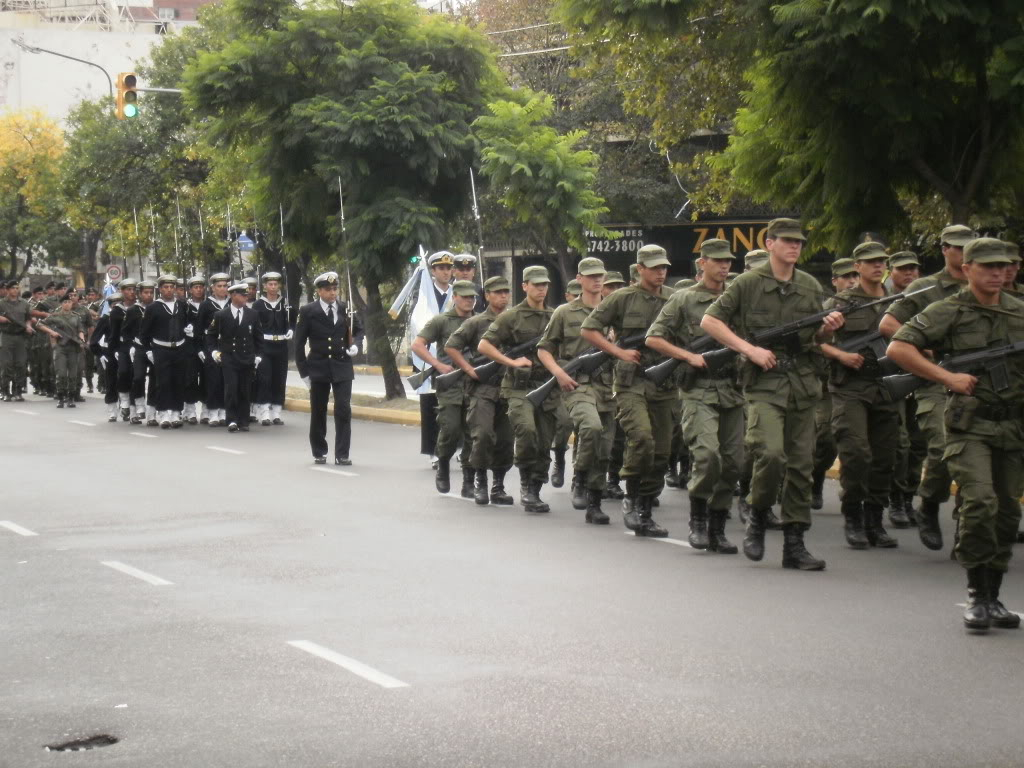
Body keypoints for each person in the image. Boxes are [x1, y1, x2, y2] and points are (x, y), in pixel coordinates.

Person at [886, 237, 1023, 632]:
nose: (998, 273)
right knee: (980, 502)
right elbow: (898, 347)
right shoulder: (949, 311)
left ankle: (994, 594)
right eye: (989, 267)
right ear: (967, 269)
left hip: (1013, 425)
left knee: (1008, 511)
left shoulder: (1019, 311)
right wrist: (946, 376)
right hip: (969, 424)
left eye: (1004, 266)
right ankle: (977, 594)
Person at [701, 218, 845, 570]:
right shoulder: (749, 283)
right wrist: (748, 350)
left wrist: (828, 332)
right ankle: (758, 514)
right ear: (770, 243)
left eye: (799, 242)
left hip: (803, 382)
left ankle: (794, 543)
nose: (795, 247)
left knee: (801, 464)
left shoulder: (810, 286)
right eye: (787, 241)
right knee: (770, 453)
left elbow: (816, 340)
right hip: (764, 382)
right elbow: (710, 321)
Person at [880, 224, 975, 551]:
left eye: (967, 246)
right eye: (955, 246)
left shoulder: (989, 289)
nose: (961, 252)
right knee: (943, 446)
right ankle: (931, 502)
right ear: (944, 248)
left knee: (976, 455)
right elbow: (888, 323)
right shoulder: (924, 288)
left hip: (979, 383)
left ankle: (968, 529)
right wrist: (923, 351)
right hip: (934, 380)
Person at [646, 238, 742, 552]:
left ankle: (717, 526)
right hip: (698, 388)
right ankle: (698, 518)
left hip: (733, 388)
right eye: (717, 260)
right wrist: (686, 356)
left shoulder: (738, 296)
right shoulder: (684, 299)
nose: (724, 265)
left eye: (727, 260)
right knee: (708, 455)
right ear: (703, 263)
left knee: (733, 462)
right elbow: (654, 338)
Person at [581, 245, 676, 537]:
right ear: (640, 269)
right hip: (630, 381)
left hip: (665, 381)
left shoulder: (674, 299)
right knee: (642, 439)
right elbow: (589, 329)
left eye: (664, 267)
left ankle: (646, 510)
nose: (661, 272)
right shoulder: (622, 298)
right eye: (655, 267)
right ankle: (631, 498)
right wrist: (617, 351)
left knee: (662, 453)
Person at [819, 242, 899, 549]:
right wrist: (839, 355)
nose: (878, 266)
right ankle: (852, 516)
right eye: (871, 262)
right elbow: (816, 341)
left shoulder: (896, 301)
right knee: (855, 453)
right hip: (850, 387)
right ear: (858, 266)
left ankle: (874, 520)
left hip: (886, 384)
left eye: (882, 261)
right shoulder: (841, 302)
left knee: (885, 457)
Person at [537, 257, 614, 524]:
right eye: (590, 275)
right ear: (579, 279)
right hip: (576, 383)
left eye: (600, 275)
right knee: (590, 428)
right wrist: (558, 373)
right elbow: (544, 349)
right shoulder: (564, 312)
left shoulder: (613, 311)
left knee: (604, 447)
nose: (596, 280)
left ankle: (595, 503)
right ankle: (580, 477)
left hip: (607, 386)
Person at [479, 266, 555, 513]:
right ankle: (524, 483)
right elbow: (485, 345)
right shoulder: (512, 316)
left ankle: (535, 488)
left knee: (545, 442)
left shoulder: (555, 316)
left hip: (547, 386)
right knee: (527, 432)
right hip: (518, 387)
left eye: (544, 284)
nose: (541, 289)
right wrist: (511, 362)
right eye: (536, 284)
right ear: (525, 286)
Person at [444, 276, 515, 506]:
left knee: (505, 441)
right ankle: (480, 481)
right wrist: (468, 369)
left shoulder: (515, 319)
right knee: (483, 435)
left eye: (506, 292)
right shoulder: (476, 322)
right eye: (497, 292)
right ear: (487, 296)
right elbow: (451, 346)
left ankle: (498, 485)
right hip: (483, 388)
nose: (502, 296)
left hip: (509, 387)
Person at [411, 279, 479, 495]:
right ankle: (443, 464)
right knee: (450, 429)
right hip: (450, 385)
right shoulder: (441, 321)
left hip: (474, 384)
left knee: (471, 433)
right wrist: (438, 364)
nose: (469, 301)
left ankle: (469, 480)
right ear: (454, 297)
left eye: (472, 297)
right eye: (465, 296)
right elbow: (418, 345)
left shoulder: (480, 321)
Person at [294, 271, 364, 464]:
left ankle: (342, 453)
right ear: (319, 291)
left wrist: (356, 345)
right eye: (328, 289)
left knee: (343, 408)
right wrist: (304, 373)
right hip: (318, 366)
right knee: (319, 410)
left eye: (335, 289)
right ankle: (319, 450)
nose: (332, 293)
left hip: (342, 365)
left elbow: (358, 330)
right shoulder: (308, 311)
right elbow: (298, 344)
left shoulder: (344, 309)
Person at [809, 258, 860, 510]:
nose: (851, 281)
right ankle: (816, 477)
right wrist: (839, 355)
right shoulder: (826, 308)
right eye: (845, 276)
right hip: (827, 382)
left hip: (861, 381)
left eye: (854, 275)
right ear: (834, 281)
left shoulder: (872, 304)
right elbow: (814, 342)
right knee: (826, 438)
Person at [885, 251, 925, 528]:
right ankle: (896, 499)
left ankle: (909, 496)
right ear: (891, 271)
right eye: (903, 269)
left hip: (926, 376)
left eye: (913, 269)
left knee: (920, 442)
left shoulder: (925, 297)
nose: (909, 274)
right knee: (900, 442)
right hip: (893, 376)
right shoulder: (882, 299)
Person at [416, 252, 456, 466]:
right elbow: (418, 324)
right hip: (429, 355)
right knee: (431, 404)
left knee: (455, 403)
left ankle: (456, 446)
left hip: (452, 356)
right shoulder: (424, 294)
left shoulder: (456, 293)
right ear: (433, 271)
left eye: (448, 268)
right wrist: (432, 358)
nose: (445, 272)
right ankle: (433, 450)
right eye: (441, 268)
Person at [207, 282, 263, 432]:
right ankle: (231, 419)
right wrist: (214, 352)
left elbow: (258, 338)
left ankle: (244, 420)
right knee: (231, 388)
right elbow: (210, 336)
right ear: (232, 296)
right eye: (242, 295)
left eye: (246, 295)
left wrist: (258, 356)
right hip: (229, 358)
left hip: (247, 357)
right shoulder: (221, 315)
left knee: (245, 389)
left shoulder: (253, 314)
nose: (245, 297)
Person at [139, 275, 189, 429]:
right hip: (161, 348)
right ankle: (162, 413)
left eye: (171, 287)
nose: (169, 290)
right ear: (160, 289)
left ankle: (175, 412)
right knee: (163, 381)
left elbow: (186, 323)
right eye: (165, 287)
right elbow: (144, 333)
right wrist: (148, 351)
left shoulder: (182, 305)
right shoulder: (153, 308)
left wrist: (188, 330)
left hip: (179, 347)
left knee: (178, 381)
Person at [253, 271, 291, 426]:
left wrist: (291, 329)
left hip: (281, 345)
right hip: (265, 346)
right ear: (264, 286)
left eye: (276, 284)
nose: (273, 287)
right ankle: (264, 411)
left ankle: (276, 411)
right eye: (270, 284)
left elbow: (292, 322)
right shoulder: (258, 305)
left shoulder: (285, 304)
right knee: (265, 378)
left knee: (279, 378)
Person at [37, 292, 85, 408]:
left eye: (69, 302)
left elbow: (80, 329)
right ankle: (60, 397)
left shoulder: (76, 317)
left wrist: (82, 339)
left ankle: (71, 397)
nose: (67, 304)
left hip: (73, 347)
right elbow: (39, 324)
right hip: (61, 348)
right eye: (65, 302)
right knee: (61, 374)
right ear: (61, 304)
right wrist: (52, 332)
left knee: (73, 374)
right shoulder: (55, 316)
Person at [197, 273, 231, 427]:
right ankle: (212, 412)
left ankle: (224, 411)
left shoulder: (232, 302)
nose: (222, 289)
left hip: (228, 345)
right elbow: (199, 329)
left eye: (225, 286)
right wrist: (200, 349)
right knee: (213, 380)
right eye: (219, 286)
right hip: (211, 345)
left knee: (226, 379)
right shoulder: (206, 305)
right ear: (212, 288)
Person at [0, 280, 42, 401]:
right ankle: (5, 391)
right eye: (13, 288)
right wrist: (2, 319)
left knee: (21, 364)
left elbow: (28, 318)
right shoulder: (1, 303)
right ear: (7, 290)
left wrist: (28, 326)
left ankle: (18, 391)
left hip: (20, 336)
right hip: (6, 336)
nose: (15, 290)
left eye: (17, 288)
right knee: (6, 365)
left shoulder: (24, 303)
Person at [108, 278, 137, 421]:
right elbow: (113, 334)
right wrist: (113, 350)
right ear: (122, 291)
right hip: (122, 346)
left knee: (136, 377)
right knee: (124, 372)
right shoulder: (117, 311)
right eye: (128, 290)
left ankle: (134, 408)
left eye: (133, 289)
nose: (131, 292)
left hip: (137, 345)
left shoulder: (140, 308)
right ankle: (124, 398)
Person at [91, 292, 121, 421]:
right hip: (110, 351)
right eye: (115, 305)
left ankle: (128, 408)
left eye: (120, 304)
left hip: (125, 350)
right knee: (111, 381)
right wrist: (100, 354)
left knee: (128, 379)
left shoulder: (129, 316)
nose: (117, 307)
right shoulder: (106, 319)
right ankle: (112, 409)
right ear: (110, 306)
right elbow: (94, 340)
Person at [183, 276, 207, 424]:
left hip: (205, 345)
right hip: (189, 346)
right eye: (195, 287)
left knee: (207, 379)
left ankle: (205, 409)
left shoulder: (208, 305)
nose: (198, 290)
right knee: (190, 379)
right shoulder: (185, 306)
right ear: (190, 290)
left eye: (201, 287)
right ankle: (190, 409)